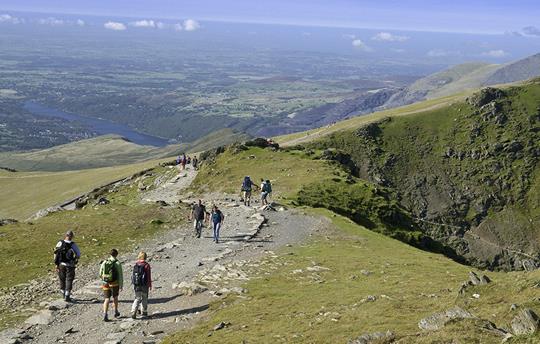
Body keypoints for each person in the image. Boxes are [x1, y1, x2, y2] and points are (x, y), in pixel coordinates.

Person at [54, 230, 81, 302]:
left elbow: (55, 254)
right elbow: (78, 254)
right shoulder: (73, 244)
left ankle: (63, 293)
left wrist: (56, 264)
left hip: (61, 264)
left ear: (65, 235)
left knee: (62, 278)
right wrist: (75, 259)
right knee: (69, 279)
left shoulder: (60, 243)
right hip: (70, 265)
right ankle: (67, 295)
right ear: (71, 236)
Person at [99, 248, 123, 322]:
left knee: (106, 299)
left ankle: (105, 314)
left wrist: (104, 280)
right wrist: (121, 285)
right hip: (114, 283)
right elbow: (120, 275)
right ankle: (116, 311)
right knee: (115, 297)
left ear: (110, 254)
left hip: (105, 283)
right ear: (116, 255)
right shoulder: (117, 263)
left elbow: (100, 273)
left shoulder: (104, 262)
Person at [131, 251, 152, 319]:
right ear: (145, 257)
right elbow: (148, 276)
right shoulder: (146, 265)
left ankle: (133, 311)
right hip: (144, 285)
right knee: (144, 298)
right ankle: (144, 311)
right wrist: (150, 285)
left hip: (137, 284)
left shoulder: (136, 264)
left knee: (137, 298)